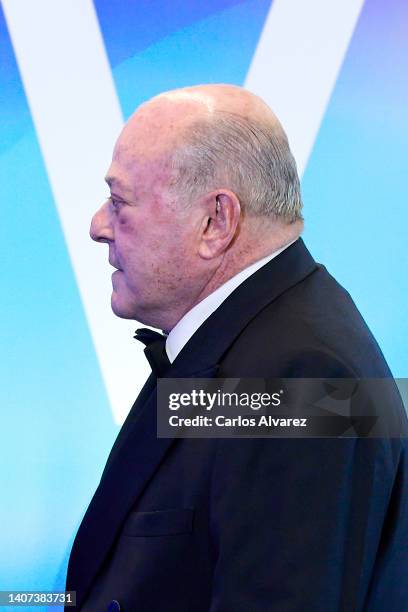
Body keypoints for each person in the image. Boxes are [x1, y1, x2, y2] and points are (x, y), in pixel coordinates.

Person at [65, 84, 408, 611]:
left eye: (119, 200)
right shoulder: (256, 342)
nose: (97, 226)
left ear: (215, 222)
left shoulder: (302, 379)